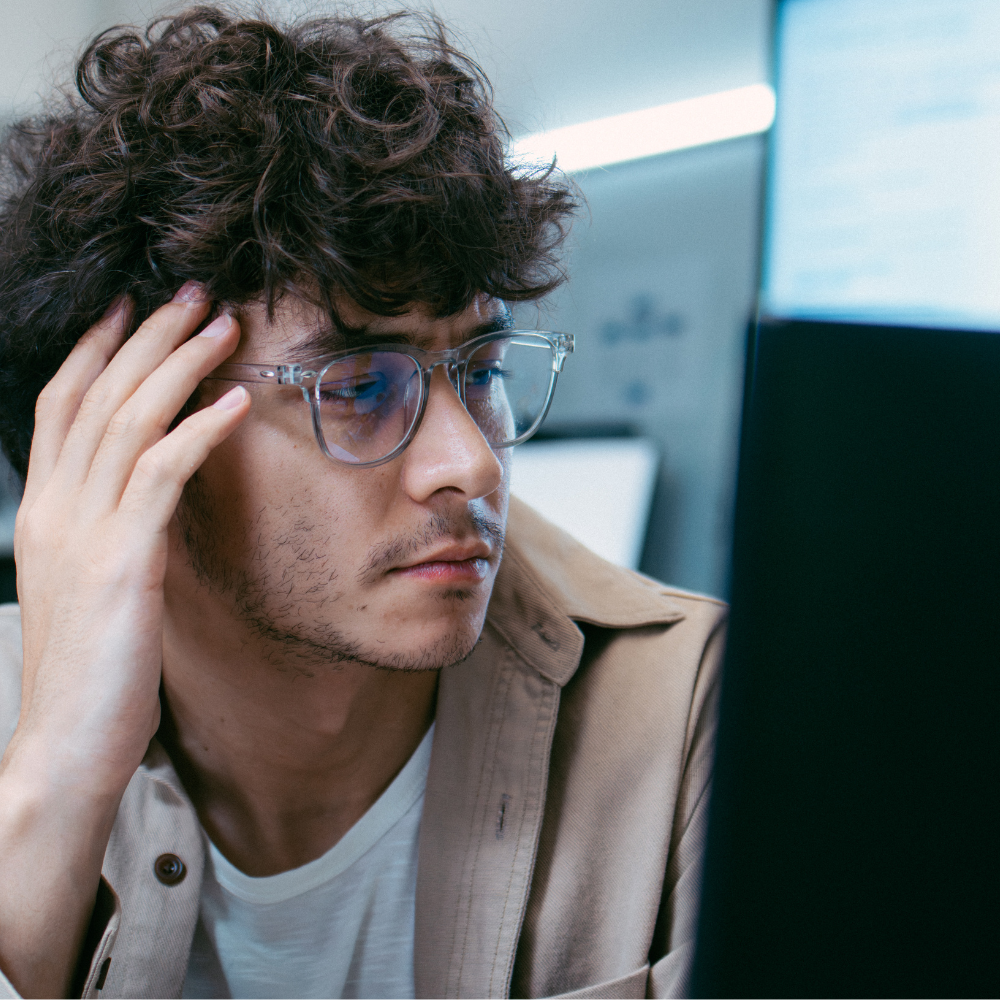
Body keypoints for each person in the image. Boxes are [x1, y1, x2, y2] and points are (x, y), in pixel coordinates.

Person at [0, 7, 725, 999]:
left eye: (478, 369)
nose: (469, 463)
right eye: (359, 386)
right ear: (140, 432)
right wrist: (53, 789)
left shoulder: (701, 716)